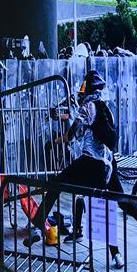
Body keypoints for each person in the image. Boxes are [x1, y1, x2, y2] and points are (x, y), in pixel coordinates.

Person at [24, 70, 115, 247]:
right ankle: (115, 253)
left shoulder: (88, 107)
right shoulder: (106, 108)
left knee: (56, 184)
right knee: (100, 203)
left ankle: (36, 228)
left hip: (89, 161)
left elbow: (73, 133)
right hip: (105, 165)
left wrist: (57, 140)